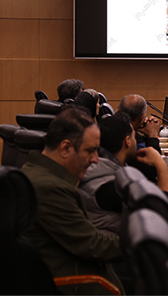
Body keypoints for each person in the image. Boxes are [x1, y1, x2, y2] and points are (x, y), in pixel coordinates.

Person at [21, 107, 123, 294]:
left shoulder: (37, 173)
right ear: (66, 148)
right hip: (78, 286)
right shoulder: (49, 187)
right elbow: (93, 245)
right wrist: (145, 242)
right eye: (90, 151)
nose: (95, 160)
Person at [79, 112, 168, 235]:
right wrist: (160, 165)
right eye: (134, 137)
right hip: (117, 245)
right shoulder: (112, 186)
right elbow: (166, 215)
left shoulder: (100, 169)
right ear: (127, 141)